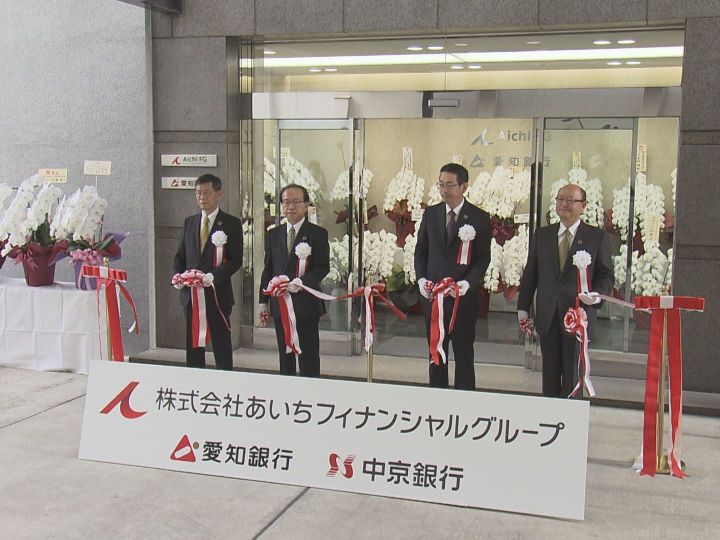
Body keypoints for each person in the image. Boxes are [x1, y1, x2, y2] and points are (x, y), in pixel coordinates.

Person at [517, 183, 614, 398]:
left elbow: (606, 276)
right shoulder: (543, 235)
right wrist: (523, 307)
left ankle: (570, 416)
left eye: (570, 200)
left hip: (578, 317)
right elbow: (531, 274)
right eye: (560, 199)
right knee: (549, 375)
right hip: (548, 316)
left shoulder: (596, 237)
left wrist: (595, 297)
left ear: (583, 206)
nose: (563, 204)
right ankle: (550, 415)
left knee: (572, 376)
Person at [414, 163, 492, 390]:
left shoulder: (479, 217)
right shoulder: (431, 214)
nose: (444, 190)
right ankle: (437, 398)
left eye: (450, 185)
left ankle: (464, 400)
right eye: (441, 185)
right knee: (436, 353)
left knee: (464, 354)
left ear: (464, 187)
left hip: (463, 300)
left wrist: (466, 284)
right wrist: (421, 279)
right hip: (434, 299)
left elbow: (483, 259)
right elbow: (421, 251)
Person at [172, 174, 243, 370]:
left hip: (218, 295)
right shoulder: (189, 222)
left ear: (218, 194)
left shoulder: (231, 223)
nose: (202, 197)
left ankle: (224, 381)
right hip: (191, 296)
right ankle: (196, 382)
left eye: (206, 193)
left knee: (221, 345)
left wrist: (213, 277)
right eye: (198, 193)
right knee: (194, 345)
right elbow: (180, 256)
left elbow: (236, 260)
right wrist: (177, 276)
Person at [259, 184, 330, 377]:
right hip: (280, 305)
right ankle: (286, 391)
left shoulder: (317, 233)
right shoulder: (273, 234)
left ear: (306, 205)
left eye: (296, 202)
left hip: (306, 305)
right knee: (285, 358)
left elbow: (322, 267)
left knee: (309, 359)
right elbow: (268, 269)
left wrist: (302, 282)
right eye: (286, 202)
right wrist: (262, 301)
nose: (291, 206)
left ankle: (310, 392)